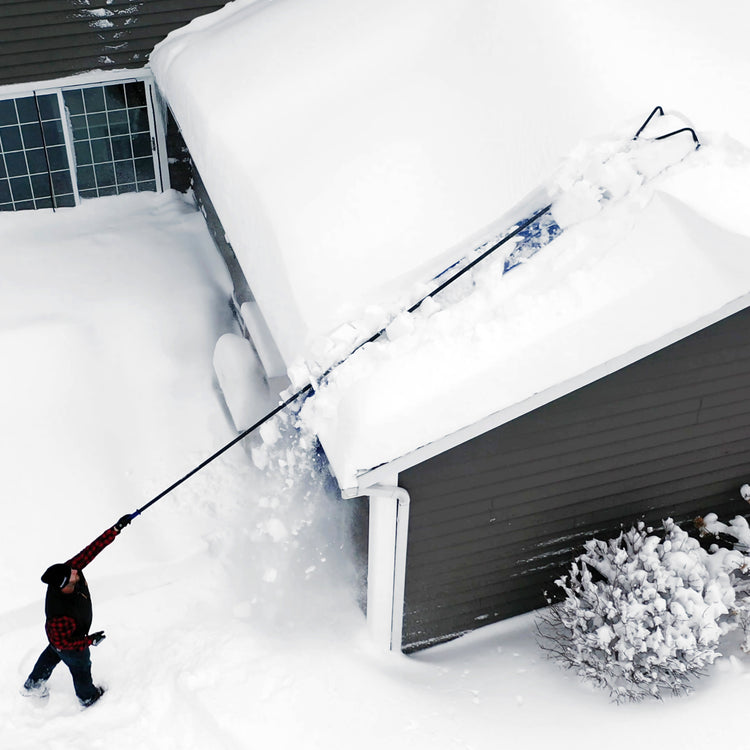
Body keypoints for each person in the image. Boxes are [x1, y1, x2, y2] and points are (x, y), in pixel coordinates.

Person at [22, 513, 134, 708]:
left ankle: (33, 685)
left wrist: (116, 529)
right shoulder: (59, 614)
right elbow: (67, 643)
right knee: (80, 666)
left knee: (52, 653)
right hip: (66, 641)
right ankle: (87, 697)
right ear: (64, 585)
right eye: (72, 573)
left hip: (59, 639)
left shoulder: (66, 572)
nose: (76, 570)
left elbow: (91, 550)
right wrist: (90, 640)